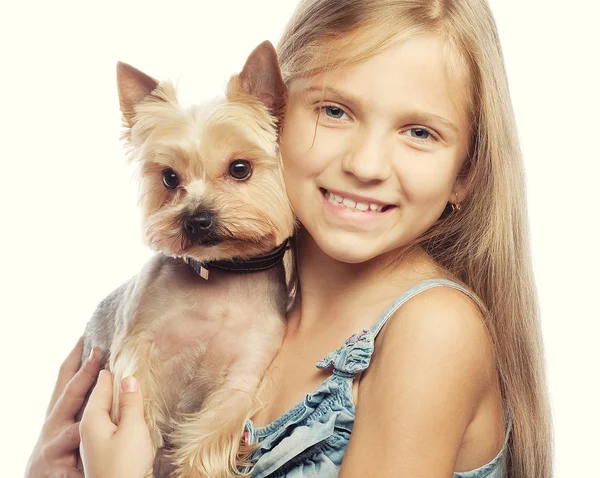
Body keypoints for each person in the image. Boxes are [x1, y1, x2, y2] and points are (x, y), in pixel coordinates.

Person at [25, 0, 553, 477]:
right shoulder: (230, 314)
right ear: (275, 111)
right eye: (335, 111)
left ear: (466, 174)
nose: (366, 165)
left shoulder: (431, 330)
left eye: (420, 132)